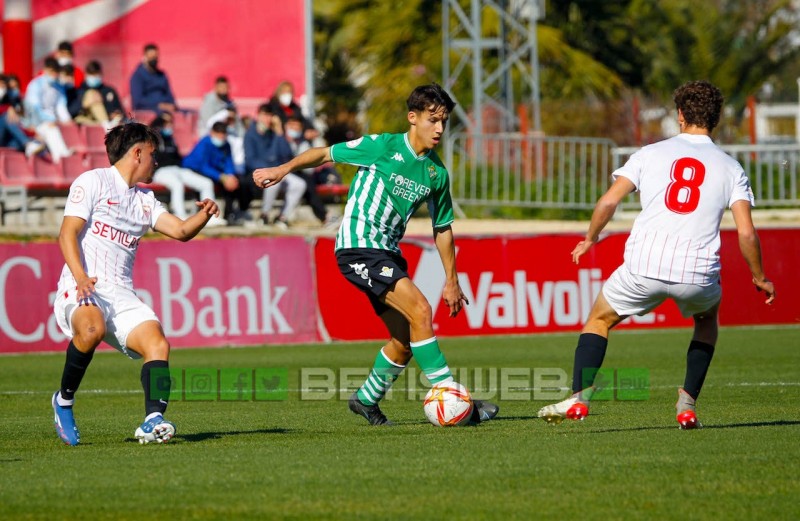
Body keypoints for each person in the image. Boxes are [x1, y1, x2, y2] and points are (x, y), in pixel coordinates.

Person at [254, 83, 499, 425]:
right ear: (413, 118)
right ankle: (459, 403)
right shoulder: (382, 146)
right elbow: (324, 153)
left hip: (388, 253)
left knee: (405, 339)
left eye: (444, 121)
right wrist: (282, 170)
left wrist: (452, 280)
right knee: (421, 310)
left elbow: (442, 228)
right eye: (433, 120)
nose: (440, 129)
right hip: (358, 246)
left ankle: (365, 400)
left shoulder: (436, 173)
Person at [536, 80, 776, 429]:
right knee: (707, 323)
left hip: (643, 266)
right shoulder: (730, 167)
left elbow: (608, 201)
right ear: (717, 119)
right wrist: (759, 277)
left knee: (599, 321)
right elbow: (746, 233)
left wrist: (591, 237)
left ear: (680, 115)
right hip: (697, 273)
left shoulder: (649, 153)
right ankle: (687, 403)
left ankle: (578, 399)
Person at [51, 122, 222, 446]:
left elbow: (182, 231)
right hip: (82, 283)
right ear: (137, 152)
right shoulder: (93, 181)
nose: (156, 162)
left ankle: (153, 418)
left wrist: (205, 214)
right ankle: (64, 401)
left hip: (121, 293)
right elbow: (67, 233)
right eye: (153, 155)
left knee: (158, 344)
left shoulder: (145, 200)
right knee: (91, 330)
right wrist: (81, 277)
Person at [150, 113, 226, 226]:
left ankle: (209, 216)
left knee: (206, 183)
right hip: (160, 171)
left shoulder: (171, 139)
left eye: (170, 122)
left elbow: (177, 157)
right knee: (177, 184)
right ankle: (180, 216)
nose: (169, 126)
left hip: (177, 169)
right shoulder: (153, 139)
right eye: (165, 123)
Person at [244, 104, 304, 228]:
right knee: (273, 182)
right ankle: (264, 215)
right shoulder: (250, 134)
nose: (267, 119)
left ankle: (282, 217)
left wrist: (279, 132)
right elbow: (250, 160)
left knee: (299, 184)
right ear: (258, 116)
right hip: (257, 173)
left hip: (277, 172)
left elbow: (286, 154)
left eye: (270, 116)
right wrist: (269, 170)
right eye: (265, 115)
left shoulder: (274, 134)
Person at [183, 121, 248, 223]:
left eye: (223, 136)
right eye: (219, 136)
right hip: (195, 170)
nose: (221, 139)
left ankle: (229, 215)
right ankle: (203, 216)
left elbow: (229, 163)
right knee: (207, 183)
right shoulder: (204, 143)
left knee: (235, 183)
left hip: (216, 173)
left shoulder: (226, 145)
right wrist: (222, 177)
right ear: (212, 133)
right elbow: (203, 166)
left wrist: (230, 176)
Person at [283, 115, 340, 228]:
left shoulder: (303, 142)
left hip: (302, 172)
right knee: (307, 184)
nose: (295, 129)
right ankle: (325, 216)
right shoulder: (281, 141)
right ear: (286, 126)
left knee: (321, 175)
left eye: (297, 127)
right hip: (289, 173)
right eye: (292, 126)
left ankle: (326, 215)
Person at [23, 57, 72, 161]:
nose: (54, 75)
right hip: (36, 122)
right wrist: (50, 120)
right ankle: (61, 158)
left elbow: (61, 106)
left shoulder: (59, 87)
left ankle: (62, 156)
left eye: (56, 72)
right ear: (45, 70)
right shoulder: (35, 85)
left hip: (53, 122)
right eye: (51, 72)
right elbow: (35, 108)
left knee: (58, 129)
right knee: (51, 130)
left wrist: (67, 120)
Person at [68, 60, 124, 128]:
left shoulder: (109, 91)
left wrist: (103, 102)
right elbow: (70, 112)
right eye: (91, 74)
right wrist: (85, 103)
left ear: (101, 74)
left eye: (96, 74)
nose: (94, 77)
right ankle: (106, 126)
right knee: (91, 94)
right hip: (87, 122)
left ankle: (106, 125)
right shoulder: (79, 90)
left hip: (104, 122)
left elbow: (120, 111)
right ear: (86, 74)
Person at [0, 73, 45, 156]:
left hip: (5, 140)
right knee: (6, 116)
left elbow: (17, 126)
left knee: (23, 144)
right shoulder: (8, 108)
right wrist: (7, 109)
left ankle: (29, 144)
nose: (2, 88)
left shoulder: (11, 103)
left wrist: (32, 134)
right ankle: (28, 143)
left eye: (3, 86)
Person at [129, 43, 176, 113]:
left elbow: (170, 95)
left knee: (190, 114)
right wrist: (159, 105)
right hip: (149, 111)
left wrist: (172, 105)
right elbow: (138, 101)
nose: (154, 60)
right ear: (144, 57)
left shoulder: (162, 75)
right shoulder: (137, 76)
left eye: (155, 57)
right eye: (151, 58)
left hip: (166, 109)